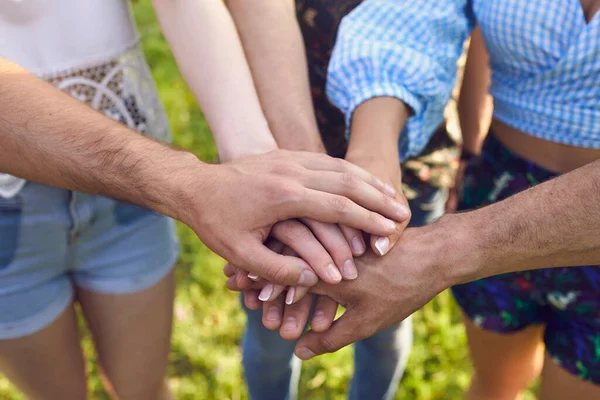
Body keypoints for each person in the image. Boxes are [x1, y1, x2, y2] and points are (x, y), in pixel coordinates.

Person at [0, 1, 406, 398]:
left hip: (128, 185)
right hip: (23, 209)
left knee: (143, 388)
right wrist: (191, 184)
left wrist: (268, 165)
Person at [228, 0, 600, 398]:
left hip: (553, 228)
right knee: (496, 379)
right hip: (498, 185)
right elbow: (417, 16)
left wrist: (439, 252)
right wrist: (372, 153)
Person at [224, 1, 459, 399]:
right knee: (273, 324)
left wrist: (472, 138)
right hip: (274, 149)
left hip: (411, 160)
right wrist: (293, 166)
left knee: (385, 320)